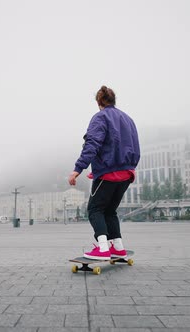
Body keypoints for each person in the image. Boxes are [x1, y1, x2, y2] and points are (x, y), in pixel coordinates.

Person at [68, 86, 140, 260]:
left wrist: (77, 169)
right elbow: (135, 144)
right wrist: (131, 166)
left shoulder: (100, 117)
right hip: (126, 173)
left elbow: (92, 144)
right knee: (110, 211)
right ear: (114, 100)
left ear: (99, 102)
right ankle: (118, 248)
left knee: (95, 210)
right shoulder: (128, 119)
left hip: (108, 172)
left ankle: (102, 248)